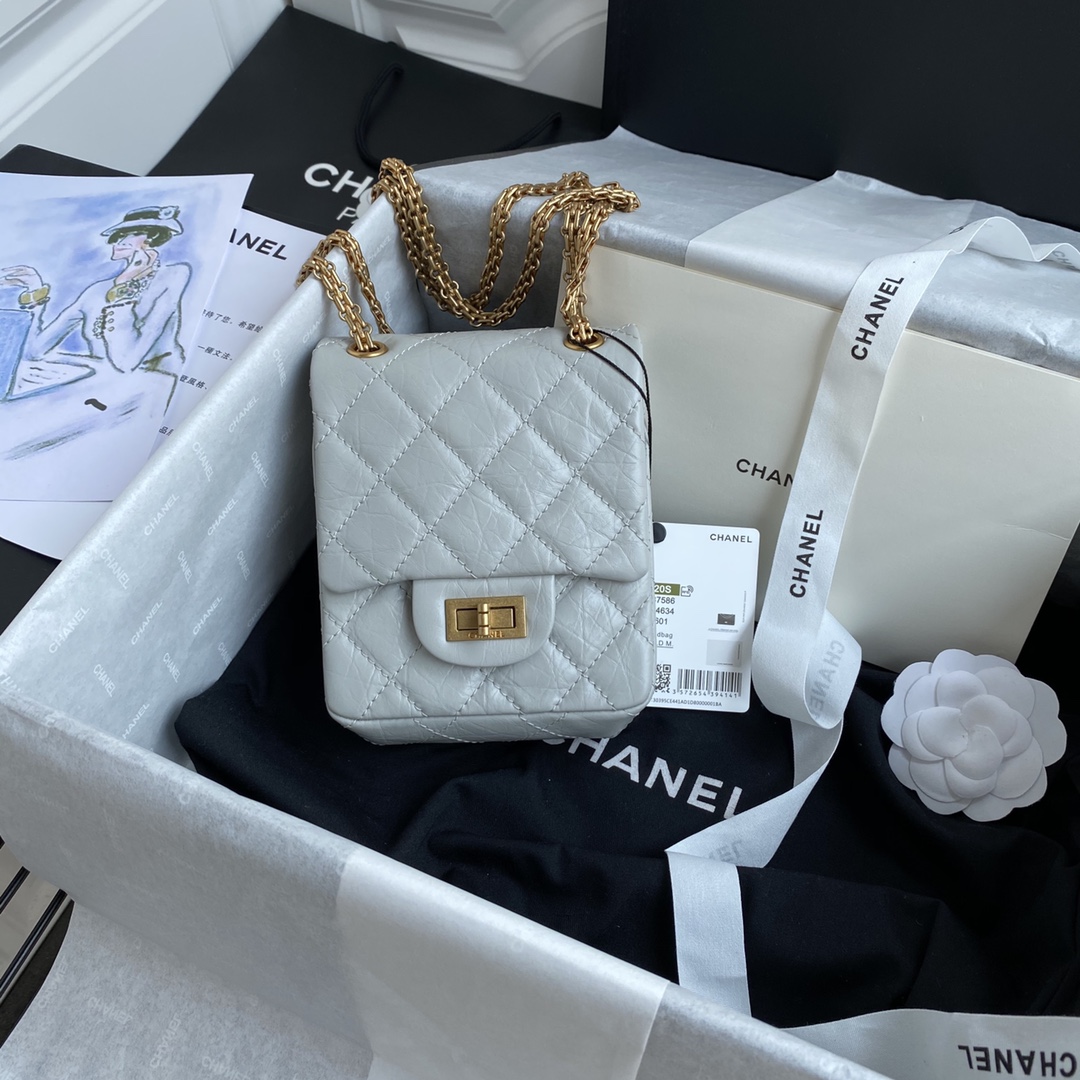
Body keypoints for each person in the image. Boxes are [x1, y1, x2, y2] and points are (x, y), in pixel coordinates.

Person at [1, 205, 191, 390]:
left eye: (134, 234)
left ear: (154, 237)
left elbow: (126, 362)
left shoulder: (173, 275)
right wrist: (35, 290)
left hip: (153, 386)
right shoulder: (96, 292)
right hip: (102, 385)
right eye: (119, 235)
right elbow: (34, 351)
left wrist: (124, 285)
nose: (120, 241)